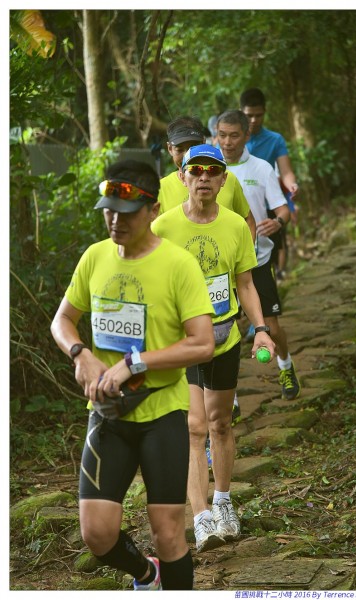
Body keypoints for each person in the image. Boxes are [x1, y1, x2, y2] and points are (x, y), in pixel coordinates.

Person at [50, 159, 216, 591]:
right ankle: (146, 574)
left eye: (126, 213)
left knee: (168, 533)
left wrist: (135, 362)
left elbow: (202, 343)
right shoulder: (95, 257)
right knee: (96, 534)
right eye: (108, 210)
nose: (115, 220)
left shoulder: (178, 264)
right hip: (109, 413)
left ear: (153, 210)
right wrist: (80, 353)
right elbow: (62, 320)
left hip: (162, 412)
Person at [151, 144, 276, 554]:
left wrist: (261, 329)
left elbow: (245, 284)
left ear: (224, 180)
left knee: (220, 423)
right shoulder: (163, 227)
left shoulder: (236, 226)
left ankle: (223, 502)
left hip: (224, 339)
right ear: (183, 176)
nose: (203, 176)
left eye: (212, 171)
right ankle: (202, 517)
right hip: (183, 343)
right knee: (194, 427)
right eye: (196, 170)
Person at [216, 109, 301, 402]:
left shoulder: (262, 168)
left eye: (234, 135)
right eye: (222, 135)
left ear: (246, 136)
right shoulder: (207, 169)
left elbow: (283, 210)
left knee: (272, 328)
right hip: (219, 268)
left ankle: (286, 366)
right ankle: (229, 400)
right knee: (222, 335)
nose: (227, 142)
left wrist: (277, 222)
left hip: (257, 262)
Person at [158, 115, 256, 242]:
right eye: (180, 149)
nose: (187, 155)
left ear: (204, 142)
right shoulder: (160, 188)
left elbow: (248, 220)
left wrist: (246, 253)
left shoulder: (228, 180)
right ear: (170, 149)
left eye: (193, 148)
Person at [240, 87, 299, 280]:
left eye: (258, 115)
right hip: (241, 206)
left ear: (265, 112)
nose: (253, 120)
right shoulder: (231, 140)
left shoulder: (275, 140)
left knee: (271, 257)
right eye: (249, 115)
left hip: (269, 206)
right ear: (241, 112)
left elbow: (286, 171)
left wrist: (292, 185)